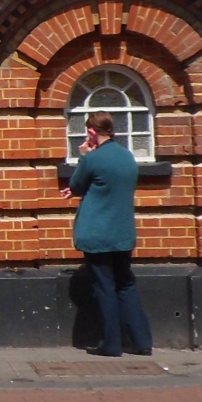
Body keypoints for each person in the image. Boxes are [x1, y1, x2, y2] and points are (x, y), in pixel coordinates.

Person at [59, 110, 153, 356]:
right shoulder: (127, 157)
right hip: (123, 233)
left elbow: (78, 184)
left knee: (104, 287)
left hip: (98, 234)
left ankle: (111, 344)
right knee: (126, 285)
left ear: (91, 132)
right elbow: (106, 185)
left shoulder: (93, 158)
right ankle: (142, 342)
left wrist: (83, 157)